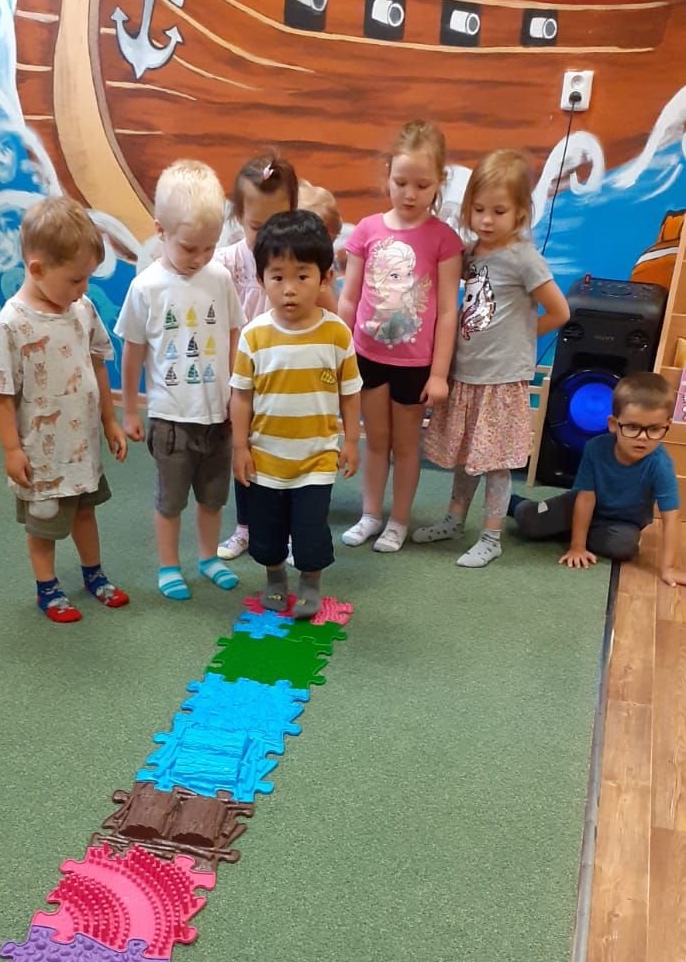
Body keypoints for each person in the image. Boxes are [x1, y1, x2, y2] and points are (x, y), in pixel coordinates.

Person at [414, 149, 570, 566]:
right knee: (466, 455)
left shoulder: (524, 259)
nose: (486, 220)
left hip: (501, 379)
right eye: (478, 209)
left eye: (498, 211)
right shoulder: (471, 254)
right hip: (466, 373)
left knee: (496, 463)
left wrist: (519, 339)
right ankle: (454, 519)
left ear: (520, 213)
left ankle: (491, 536)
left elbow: (560, 311)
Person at [0, 196, 128, 623]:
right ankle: (47, 587)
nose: (83, 289)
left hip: (83, 446)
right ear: (37, 269)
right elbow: (1, 394)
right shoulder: (11, 324)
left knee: (86, 511)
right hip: (42, 455)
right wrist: (12, 450)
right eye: (75, 279)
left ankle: (94, 573)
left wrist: (109, 420)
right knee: (44, 524)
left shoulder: (81, 309)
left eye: (87, 278)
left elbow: (98, 363)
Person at [116, 159, 244, 601]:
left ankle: (208, 557)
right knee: (170, 501)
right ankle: (169, 565)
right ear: (160, 231)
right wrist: (130, 410)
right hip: (171, 418)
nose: (200, 258)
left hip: (218, 416)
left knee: (213, 497)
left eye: (210, 247)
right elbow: (132, 351)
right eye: (190, 248)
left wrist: (237, 393)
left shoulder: (220, 279)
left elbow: (234, 332)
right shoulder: (146, 288)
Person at [338, 120, 463, 553]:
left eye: (422, 185)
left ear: (439, 182)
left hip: (415, 364)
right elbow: (349, 297)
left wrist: (439, 374)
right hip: (367, 356)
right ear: (387, 175)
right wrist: (340, 352)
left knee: (407, 446)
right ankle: (371, 514)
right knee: (376, 441)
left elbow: (447, 311)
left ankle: (398, 521)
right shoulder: (367, 230)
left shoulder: (444, 240)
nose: (410, 194)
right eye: (401, 182)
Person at [230, 209, 362, 618]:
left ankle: (310, 583)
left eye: (302, 276)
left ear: (324, 278)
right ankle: (274, 579)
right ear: (261, 279)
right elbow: (241, 396)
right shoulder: (254, 335)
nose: (289, 289)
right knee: (266, 531)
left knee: (310, 529)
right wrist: (239, 447)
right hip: (266, 458)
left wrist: (351, 441)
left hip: (315, 459)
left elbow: (350, 392)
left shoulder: (336, 333)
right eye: (277, 277)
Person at [510, 372, 685, 584]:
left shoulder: (661, 464)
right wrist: (577, 547)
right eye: (632, 427)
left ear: (667, 425)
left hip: (621, 523)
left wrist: (668, 569)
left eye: (654, 429)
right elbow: (585, 499)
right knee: (530, 522)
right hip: (578, 505)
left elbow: (671, 517)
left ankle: (569, 528)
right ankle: (515, 503)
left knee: (623, 547)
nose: (642, 438)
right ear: (613, 424)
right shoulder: (595, 448)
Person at [216, 152, 300, 560]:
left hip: (286, 376)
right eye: (255, 226)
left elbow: (327, 310)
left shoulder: (297, 263)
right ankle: (245, 527)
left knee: (285, 454)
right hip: (243, 378)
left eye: (276, 224)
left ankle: (286, 530)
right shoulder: (226, 263)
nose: (266, 237)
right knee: (244, 449)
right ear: (238, 216)